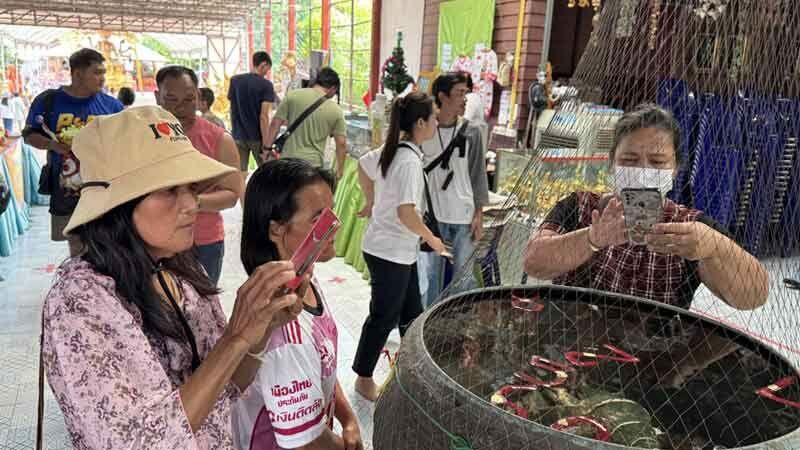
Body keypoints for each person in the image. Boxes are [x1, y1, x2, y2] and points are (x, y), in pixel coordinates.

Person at [41, 106, 304, 449]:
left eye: (192, 187)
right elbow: (142, 442)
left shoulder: (180, 270)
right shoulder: (80, 301)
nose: (192, 204)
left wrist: (262, 326)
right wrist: (236, 337)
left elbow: (228, 388)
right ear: (116, 204)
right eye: (168, 189)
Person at [525, 103, 768, 310]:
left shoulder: (690, 230)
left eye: (657, 161)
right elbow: (533, 262)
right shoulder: (579, 207)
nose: (643, 171)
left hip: (655, 356)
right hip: (572, 349)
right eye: (629, 160)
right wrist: (591, 239)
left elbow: (753, 298)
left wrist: (716, 246)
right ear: (612, 165)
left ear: (674, 170)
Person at [233, 158, 364, 450]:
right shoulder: (283, 327)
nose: (336, 226)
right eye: (319, 219)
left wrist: (348, 417)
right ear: (276, 231)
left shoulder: (303, 281)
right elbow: (306, 443)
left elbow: (324, 365)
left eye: (332, 213)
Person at [352, 92, 447, 401]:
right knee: (384, 316)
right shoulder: (406, 160)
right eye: (433, 116)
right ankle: (363, 378)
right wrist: (431, 239)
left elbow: (363, 168)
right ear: (420, 122)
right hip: (388, 251)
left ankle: (409, 372)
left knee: (411, 315)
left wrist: (371, 201)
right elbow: (406, 212)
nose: (436, 121)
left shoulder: (395, 151)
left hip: (395, 249)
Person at [23, 48, 124, 257]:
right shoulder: (48, 101)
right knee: (77, 246)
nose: (103, 78)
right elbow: (29, 134)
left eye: (103, 73)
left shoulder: (112, 106)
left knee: (108, 244)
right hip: (66, 191)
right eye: (97, 72)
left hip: (103, 190)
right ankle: (82, 284)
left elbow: (125, 142)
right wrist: (54, 146)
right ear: (78, 74)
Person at [155, 66, 243, 286]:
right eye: (171, 100)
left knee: (202, 308)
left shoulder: (219, 139)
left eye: (189, 99)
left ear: (199, 96)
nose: (180, 108)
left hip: (204, 241)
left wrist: (192, 202)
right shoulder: (146, 137)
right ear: (158, 97)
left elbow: (232, 195)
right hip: (156, 240)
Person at [419, 72, 489, 307]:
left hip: (463, 217)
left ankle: (459, 326)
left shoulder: (472, 131)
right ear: (442, 96)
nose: (465, 99)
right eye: (460, 93)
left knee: (464, 277)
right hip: (433, 217)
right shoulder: (425, 129)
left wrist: (479, 214)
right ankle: (426, 326)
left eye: (466, 93)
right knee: (430, 278)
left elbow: (478, 174)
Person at [263, 67, 347, 179]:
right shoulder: (336, 110)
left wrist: (267, 149)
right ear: (333, 88)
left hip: (288, 161)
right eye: (335, 93)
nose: (333, 96)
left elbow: (275, 124)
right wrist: (340, 170)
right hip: (313, 165)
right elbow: (341, 143)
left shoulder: (292, 95)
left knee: (287, 195)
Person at [228, 51, 277, 200]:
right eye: (267, 69)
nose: (267, 73)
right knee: (267, 174)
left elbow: (232, 108)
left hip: (238, 136)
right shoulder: (266, 85)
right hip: (257, 137)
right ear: (263, 65)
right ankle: (265, 206)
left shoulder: (235, 81)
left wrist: (234, 129)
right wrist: (267, 144)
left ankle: (245, 209)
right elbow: (263, 117)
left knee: (240, 175)